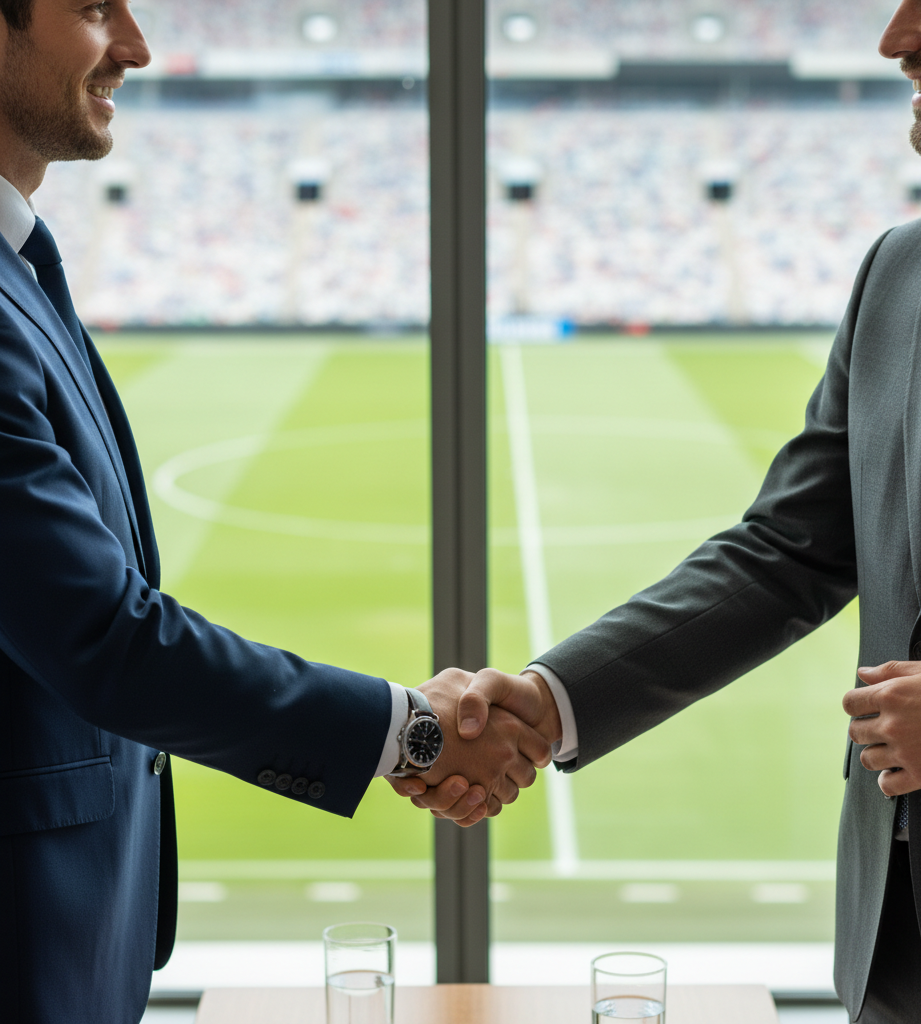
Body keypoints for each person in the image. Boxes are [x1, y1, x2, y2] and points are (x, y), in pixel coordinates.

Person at [408, 1, 921, 1021]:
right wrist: (546, 701)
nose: (893, 39)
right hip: (900, 949)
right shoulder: (903, 268)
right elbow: (785, 553)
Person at [0, 3, 546, 1022]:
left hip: (73, 921)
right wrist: (415, 733)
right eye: (90, 9)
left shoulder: (21, 263)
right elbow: (98, 635)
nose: (135, 45)